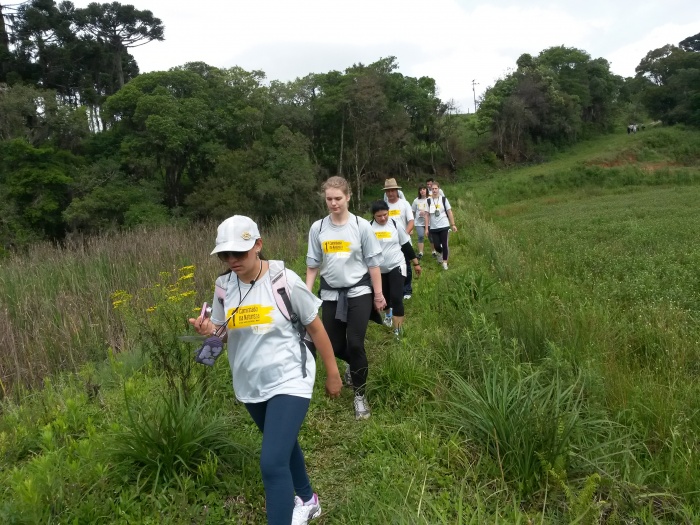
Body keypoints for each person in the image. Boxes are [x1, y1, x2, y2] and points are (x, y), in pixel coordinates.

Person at [189, 215, 342, 525]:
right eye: (225, 254)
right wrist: (209, 332)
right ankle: (308, 498)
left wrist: (333, 372)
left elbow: (315, 326)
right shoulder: (223, 287)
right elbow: (223, 331)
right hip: (249, 382)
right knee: (282, 445)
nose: (232, 260)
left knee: (272, 463)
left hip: (290, 376)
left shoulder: (283, 280)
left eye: (239, 253)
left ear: (257, 245)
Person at [306, 176, 386, 421]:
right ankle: (355, 365)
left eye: (338, 198)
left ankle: (360, 396)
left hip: (359, 291)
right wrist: (306, 296)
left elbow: (373, 264)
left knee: (354, 343)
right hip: (330, 293)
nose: (333, 203)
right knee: (332, 345)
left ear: (348, 197)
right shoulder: (318, 228)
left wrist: (379, 294)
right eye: (329, 199)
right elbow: (312, 266)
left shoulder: (361, 226)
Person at [370, 200, 422, 337]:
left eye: (385, 215)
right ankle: (388, 315)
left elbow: (405, 245)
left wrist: (416, 263)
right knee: (385, 296)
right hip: (379, 270)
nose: (383, 218)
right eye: (379, 216)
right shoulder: (368, 228)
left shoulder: (394, 224)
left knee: (396, 297)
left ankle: (398, 330)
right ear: (373, 216)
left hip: (397, 265)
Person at [383, 178, 415, 300]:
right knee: (390, 267)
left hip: (403, 241)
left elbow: (411, 220)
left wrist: (404, 234)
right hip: (388, 243)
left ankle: (407, 289)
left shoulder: (404, 204)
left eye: (392, 191)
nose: (390, 193)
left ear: (397, 191)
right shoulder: (384, 206)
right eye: (388, 191)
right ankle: (393, 289)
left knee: (406, 264)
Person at [426, 181, 457, 270]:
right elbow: (427, 215)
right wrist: (426, 228)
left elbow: (449, 212)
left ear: (439, 189)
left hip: (444, 225)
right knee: (436, 245)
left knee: (444, 243)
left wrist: (453, 224)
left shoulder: (444, 199)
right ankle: (443, 252)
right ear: (431, 190)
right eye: (433, 189)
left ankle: (445, 262)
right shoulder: (428, 201)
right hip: (434, 227)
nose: (434, 190)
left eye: (436, 188)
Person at [411, 185, 430, 258]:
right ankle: (420, 253)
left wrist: (425, 212)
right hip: (418, 222)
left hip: (429, 222)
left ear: (426, 190)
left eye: (424, 189)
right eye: (421, 189)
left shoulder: (430, 199)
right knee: (421, 236)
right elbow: (412, 211)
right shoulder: (416, 200)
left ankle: (434, 252)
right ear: (419, 191)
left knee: (431, 237)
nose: (422, 191)